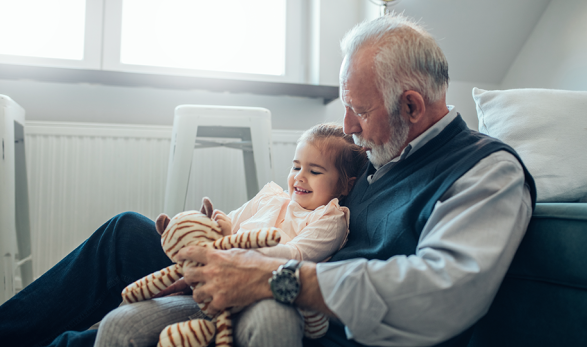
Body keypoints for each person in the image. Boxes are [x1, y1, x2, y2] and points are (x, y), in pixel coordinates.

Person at [0, 13, 536, 347]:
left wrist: (270, 278)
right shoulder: (382, 150)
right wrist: (226, 241)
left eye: (358, 111)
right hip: (279, 278)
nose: (348, 129)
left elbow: (440, 290)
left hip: (312, 318)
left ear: (413, 106)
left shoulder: (485, 173)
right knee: (127, 235)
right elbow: (292, 211)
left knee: (107, 331)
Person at [92, 123, 367, 347]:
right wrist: (203, 228)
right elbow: (226, 225)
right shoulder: (271, 198)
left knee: (275, 323)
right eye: (296, 167)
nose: (299, 177)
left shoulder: (331, 219)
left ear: (345, 185)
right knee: (118, 323)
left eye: (314, 171)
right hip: (209, 289)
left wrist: (231, 250)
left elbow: (295, 255)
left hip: (261, 299)